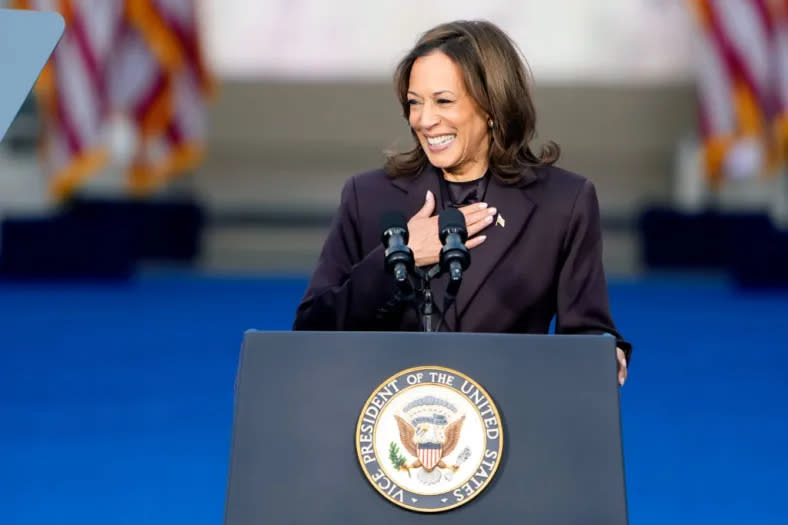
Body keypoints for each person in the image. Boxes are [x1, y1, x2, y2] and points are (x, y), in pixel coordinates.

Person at [293, 20, 631, 385]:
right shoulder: (369, 196)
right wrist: (397, 256)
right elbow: (312, 328)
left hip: (509, 421)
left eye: (443, 101)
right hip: (385, 423)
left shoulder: (563, 203)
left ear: (491, 105)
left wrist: (603, 355)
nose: (424, 120)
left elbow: (586, 331)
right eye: (414, 103)